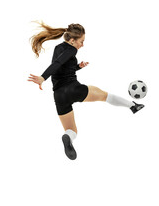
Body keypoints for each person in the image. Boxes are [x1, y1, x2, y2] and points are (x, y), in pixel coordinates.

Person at [28, 21, 144, 160]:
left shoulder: (59, 48)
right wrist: (42, 77)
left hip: (59, 95)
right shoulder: (72, 49)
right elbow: (57, 64)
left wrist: (78, 67)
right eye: (81, 41)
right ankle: (133, 106)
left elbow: (59, 66)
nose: (82, 44)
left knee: (72, 130)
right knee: (105, 96)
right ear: (72, 41)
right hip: (73, 89)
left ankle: (67, 137)